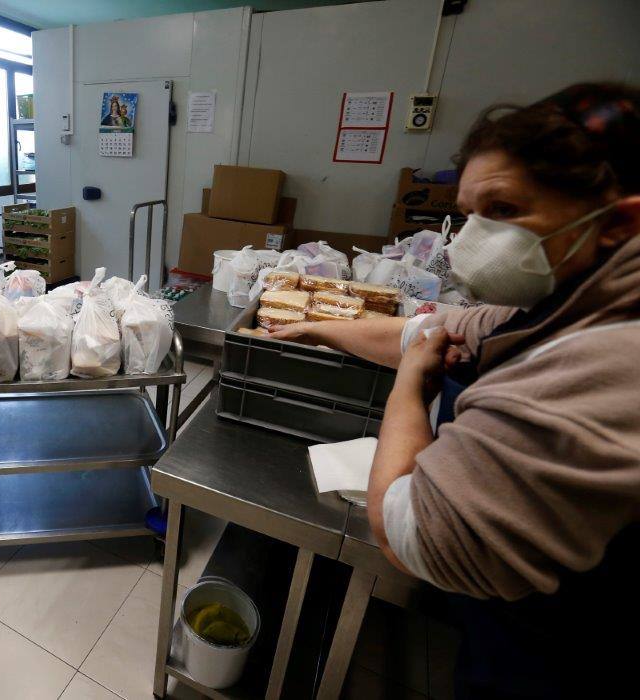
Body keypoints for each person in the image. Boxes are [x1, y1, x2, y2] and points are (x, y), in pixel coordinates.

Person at [271, 83, 639, 698]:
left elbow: (404, 531)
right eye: (468, 213)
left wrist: (410, 386)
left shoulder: (610, 363)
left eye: (502, 211)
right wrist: (318, 325)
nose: (469, 241)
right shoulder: (565, 304)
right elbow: (433, 327)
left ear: (618, 223)